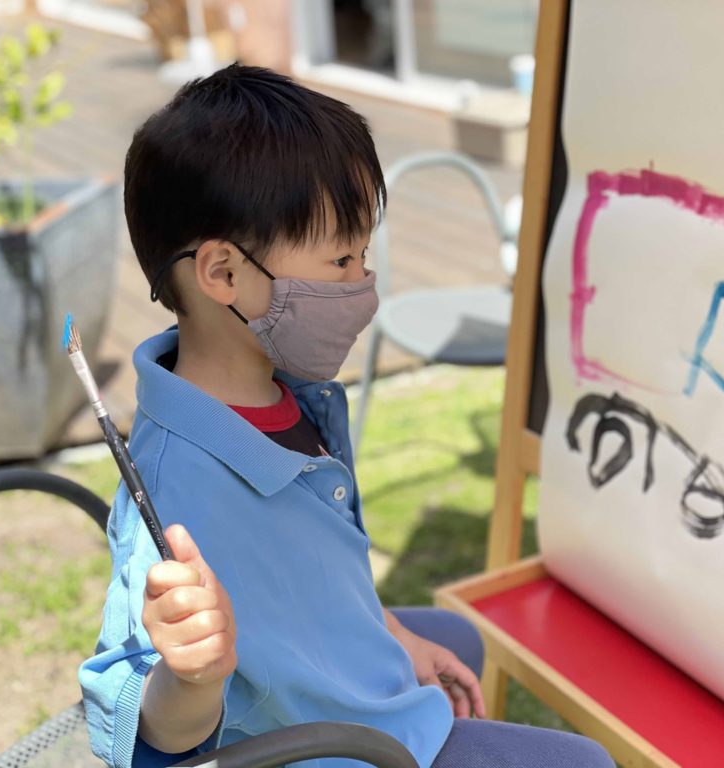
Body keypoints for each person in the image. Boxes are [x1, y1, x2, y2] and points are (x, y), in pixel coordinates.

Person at [79, 64, 614, 768]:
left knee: (461, 642)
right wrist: (190, 677)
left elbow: (326, 582)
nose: (363, 284)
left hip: (353, 690)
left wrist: (394, 636)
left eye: (364, 253)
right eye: (339, 258)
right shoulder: (175, 490)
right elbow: (146, 731)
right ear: (223, 274)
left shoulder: (287, 395)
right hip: (335, 749)